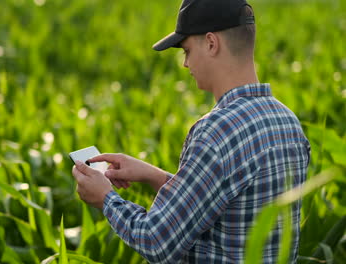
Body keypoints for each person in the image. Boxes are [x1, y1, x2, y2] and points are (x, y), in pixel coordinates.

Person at [72, 0, 311, 263]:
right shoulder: (287, 122)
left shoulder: (216, 132)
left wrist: (105, 198)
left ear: (211, 43)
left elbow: (157, 241)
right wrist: (155, 176)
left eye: (186, 50)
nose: (185, 63)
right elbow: (228, 198)